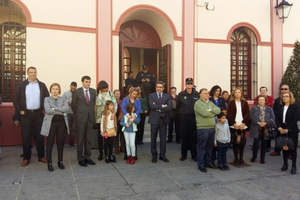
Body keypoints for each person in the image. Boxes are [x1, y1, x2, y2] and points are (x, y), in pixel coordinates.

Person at [13, 66, 49, 166]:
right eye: (31, 72)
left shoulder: (42, 85)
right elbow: (15, 99)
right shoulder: (21, 85)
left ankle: (41, 156)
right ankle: (26, 157)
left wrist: (44, 108)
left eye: (34, 72)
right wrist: (20, 111)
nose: (33, 74)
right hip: (26, 115)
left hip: (38, 114)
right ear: (27, 73)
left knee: (39, 136)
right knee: (26, 137)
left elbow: (47, 98)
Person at [41, 83, 69, 172]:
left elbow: (66, 109)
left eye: (57, 89)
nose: (55, 90)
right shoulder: (47, 99)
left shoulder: (63, 98)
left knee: (60, 143)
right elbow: (48, 110)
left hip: (61, 123)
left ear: (59, 90)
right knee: (50, 143)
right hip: (51, 124)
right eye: (53, 89)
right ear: (50, 90)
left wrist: (54, 108)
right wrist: (60, 108)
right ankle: (49, 163)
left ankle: (60, 162)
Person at [72, 75, 96, 167]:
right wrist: (79, 114)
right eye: (86, 82)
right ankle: (80, 158)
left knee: (88, 139)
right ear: (82, 82)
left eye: (89, 82)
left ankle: (87, 156)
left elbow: (93, 103)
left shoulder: (93, 91)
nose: (88, 83)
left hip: (90, 117)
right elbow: (73, 105)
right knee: (80, 139)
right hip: (80, 118)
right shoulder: (77, 92)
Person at [194, 88, 221, 173]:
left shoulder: (210, 102)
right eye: (205, 93)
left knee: (209, 147)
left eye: (208, 93)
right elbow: (204, 114)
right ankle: (201, 164)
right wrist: (213, 112)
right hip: (202, 128)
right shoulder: (198, 103)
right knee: (202, 147)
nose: (207, 95)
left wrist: (210, 110)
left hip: (211, 128)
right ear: (200, 95)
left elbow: (218, 110)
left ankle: (208, 162)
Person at [148, 81, 172, 163]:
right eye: (157, 87)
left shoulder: (167, 96)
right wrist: (162, 106)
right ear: (155, 87)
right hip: (154, 119)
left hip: (163, 119)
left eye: (160, 87)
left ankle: (162, 155)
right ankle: (154, 155)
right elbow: (151, 106)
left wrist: (157, 107)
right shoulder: (151, 95)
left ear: (163, 88)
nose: (159, 88)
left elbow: (169, 107)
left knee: (163, 139)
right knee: (153, 138)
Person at [276, 91, 299, 174]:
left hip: (292, 131)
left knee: (292, 149)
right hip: (282, 131)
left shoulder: (295, 107)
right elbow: (277, 119)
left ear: (290, 98)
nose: (285, 98)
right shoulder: (280, 107)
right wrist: (279, 128)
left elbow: (295, 119)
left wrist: (288, 129)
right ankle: (285, 164)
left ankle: (294, 166)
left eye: (287, 96)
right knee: (284, 148)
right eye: (283, 96)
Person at [177, 78, 199, 161]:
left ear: (193, 84)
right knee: (184, 136)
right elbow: (178, 106)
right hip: (184, 118)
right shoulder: (181, 94)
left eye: (191, 84)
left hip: (193, 117)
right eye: (188, 84)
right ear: (185, 85)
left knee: (193, 137)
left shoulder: (196, 94)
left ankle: (194, 155)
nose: (189, 85)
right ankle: (184, 155)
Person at [226, 88, 250, 164]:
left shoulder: (244, 102)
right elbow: (229, 114)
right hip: (234, 125)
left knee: (242, 142)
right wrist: (234, 123)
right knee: (235, 142)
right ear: (233, 93)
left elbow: (247, 113)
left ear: (241, 93)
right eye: (236, 92)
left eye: (239, 92)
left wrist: (243, 123)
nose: (237, 93)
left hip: (243, 125)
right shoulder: (231, 102)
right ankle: (236, 158)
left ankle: (241, 158)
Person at [95, 81, 117, 161]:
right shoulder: (97, 94)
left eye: (107, 87)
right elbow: (97, 104)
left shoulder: (110, 94)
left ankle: (109, 153)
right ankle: (101, 153)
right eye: (104, 88)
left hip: (110, 118)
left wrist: (114, 113)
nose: (106, 89)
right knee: (101, 135)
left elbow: (114, 104)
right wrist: (100, 96)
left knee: (110, 136)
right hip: (100, 118)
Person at [250, 95, 275, 164]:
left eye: (263, 100)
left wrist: (266, 123)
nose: (261, 101)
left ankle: (262, 158)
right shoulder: (253, 108)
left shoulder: (269, 109)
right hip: (256, 127)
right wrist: (258, 122)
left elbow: (273, 118)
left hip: (265, 128)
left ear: (265, 101)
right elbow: (251, 117)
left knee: (264, 144)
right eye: (260, 100)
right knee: (256, 143)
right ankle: (254, 157)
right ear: (257, 101)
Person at [270, 84, 291, 156]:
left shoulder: (292, 100)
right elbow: (274, 112)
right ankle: (277, 151)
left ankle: (289, 153)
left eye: (286, 89)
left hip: (289, 123)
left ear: (289, 90)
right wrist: (278, 124)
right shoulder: (277, 100)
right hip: (279, 123)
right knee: (278, 137)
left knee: (289, 138)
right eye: (282, 89)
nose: (284, 90)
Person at [209, 85, 227, 166]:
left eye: (219, 91)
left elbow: (224, 109)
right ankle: (212, 158)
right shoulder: (209, 99)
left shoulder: (221, 99)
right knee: (213, 138)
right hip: (212, 119)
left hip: (220, 120)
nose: (218, 92)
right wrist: (216, 110)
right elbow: (209, 110)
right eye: (216, 91)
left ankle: (220, 159)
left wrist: (216, 110)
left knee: (219, 137)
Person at [122, 87, 141, 159]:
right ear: (130, 93)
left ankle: (134, 154)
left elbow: (139, 109)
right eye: (133, 94)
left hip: (135, 118)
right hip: (127, 119)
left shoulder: (138, 100)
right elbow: (123, 108)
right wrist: (127, 115)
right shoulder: (125, 99)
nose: (134, 95)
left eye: (136, 94)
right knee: (127, 140)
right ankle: (127, 154)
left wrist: (134, 115)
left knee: (134, 140)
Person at [253, 86, 274, 153]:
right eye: (261, 90)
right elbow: (254, 106)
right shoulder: (257, 98)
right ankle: (255, 147)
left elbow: (270, 106)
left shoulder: (270, 98)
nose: (263, 91)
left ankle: (267, 147)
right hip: (258, 120)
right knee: (256, 136)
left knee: (267, 134)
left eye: (264, 90)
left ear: (266, 91)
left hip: (267, 118)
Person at [62, 81, 77, 147]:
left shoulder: (77, 94)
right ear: (70, 86)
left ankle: (71, 142)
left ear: (76, 87)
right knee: (65, 127)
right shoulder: (66, 93)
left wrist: (73, 103)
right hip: (67, 112)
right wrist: (66, 103)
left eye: (74, 88)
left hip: (74, 113)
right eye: (72, 87)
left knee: (73, 128)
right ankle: (63, 142)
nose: (73, 89)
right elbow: (62, 102)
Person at [113, 89, 125, 154]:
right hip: (115, 121)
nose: (117, 95)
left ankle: (122, 147)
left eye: (118, 94)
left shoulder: (122, 101)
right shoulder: (112, 102)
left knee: (122, 135)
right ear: (114, 94)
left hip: (121, 120)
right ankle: (116, 148)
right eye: (116, 94)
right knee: (116, 135)